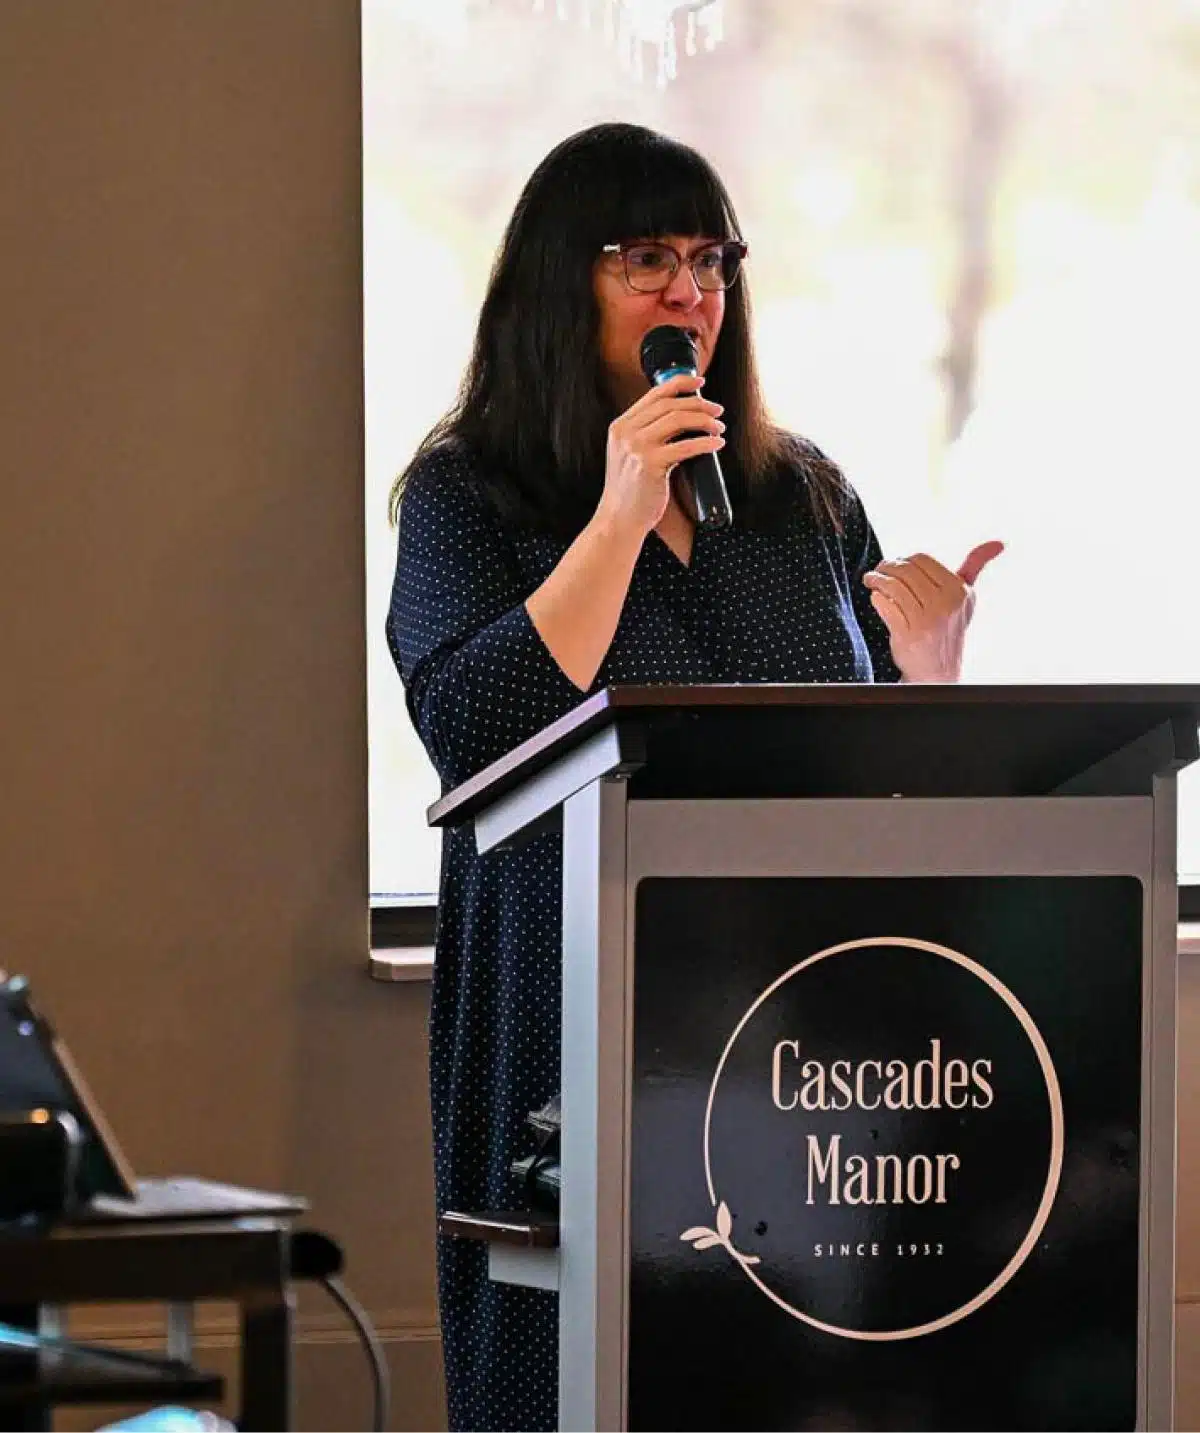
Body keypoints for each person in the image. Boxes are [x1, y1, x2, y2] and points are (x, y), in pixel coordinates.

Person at [386, 121, 1002, 1432]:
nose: (692, 293)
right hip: (582, 1046)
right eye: (646, 258)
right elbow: (475, 730)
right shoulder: (470, 495)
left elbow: (876, 778)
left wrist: (931, 671)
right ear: (562, 283)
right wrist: (618, 513)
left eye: (712, 259)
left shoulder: (803, 498)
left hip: (802, 1060)